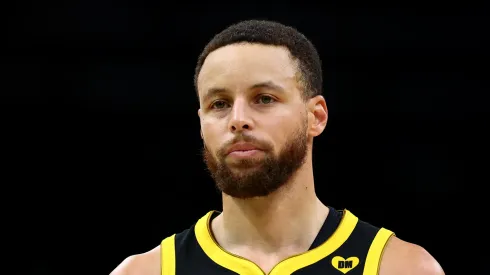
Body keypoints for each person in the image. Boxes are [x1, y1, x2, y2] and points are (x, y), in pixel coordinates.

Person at [110, 20, 445, 275]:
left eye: (264, 99)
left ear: (316, 116)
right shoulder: (145, 271)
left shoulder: (399, 267)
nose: (238, 119)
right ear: (201, 123)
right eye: (219, 104)